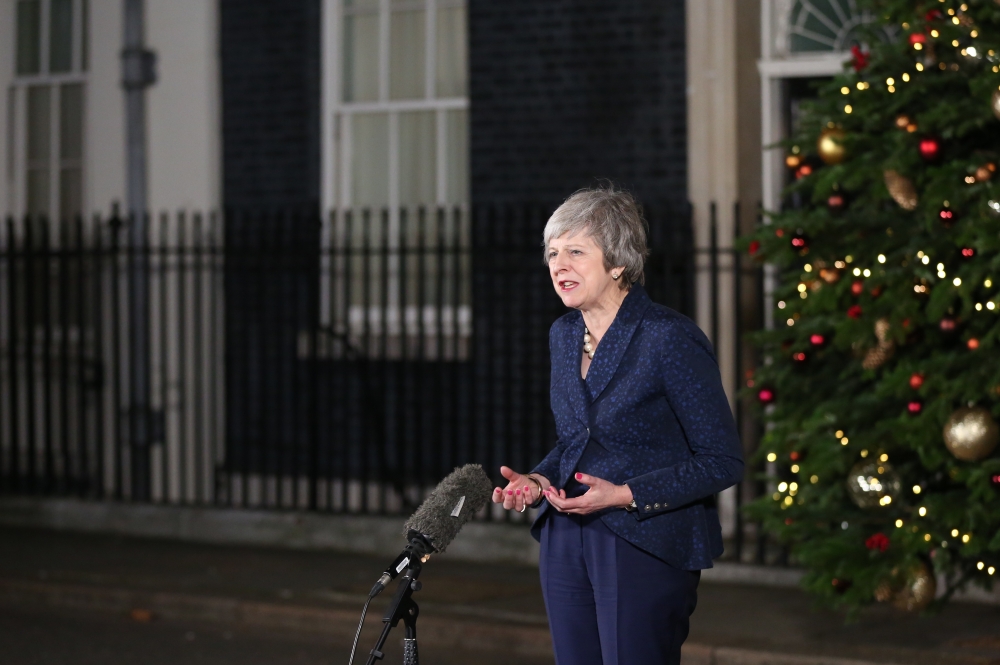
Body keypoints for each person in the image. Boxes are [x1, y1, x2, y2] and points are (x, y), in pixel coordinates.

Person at [492, 186, 743, 665]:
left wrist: (625, 494)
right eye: (552, 253)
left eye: (575, 251)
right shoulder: (563, 334)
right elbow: (577, 441)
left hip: (643, 537)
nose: (558, 264)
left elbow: (722, 461)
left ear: (618, 263)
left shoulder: (668, 337)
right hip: (566, 535)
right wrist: (539, 478)